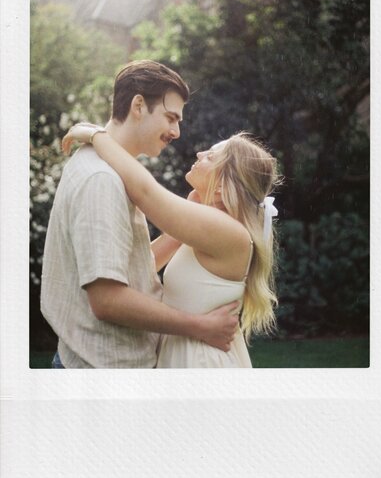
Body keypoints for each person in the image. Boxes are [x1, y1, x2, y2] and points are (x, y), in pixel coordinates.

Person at [41, 60, 240, 368]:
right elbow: (107, 300)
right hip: (102, 374)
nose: (176, 131)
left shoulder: (106, 167)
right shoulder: (102, 179)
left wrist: (182, 230)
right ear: (138, 105)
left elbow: (129, 267)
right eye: (171, 117)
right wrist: (200, 327)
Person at [62, 122, 280, 368]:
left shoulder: (228, 232)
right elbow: (146, 264)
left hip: (200, 362)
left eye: (210, 156)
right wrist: (190, 215)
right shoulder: (213, 230)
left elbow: (145, 192)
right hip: (186, 352)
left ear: (221, 186)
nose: (199, 154)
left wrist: (97, 136)